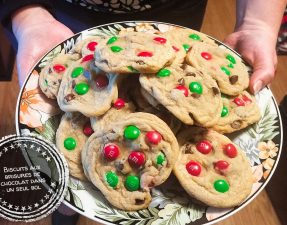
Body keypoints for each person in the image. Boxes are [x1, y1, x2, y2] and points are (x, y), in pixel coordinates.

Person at [0, 0, 286, 225]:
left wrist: (257, 23)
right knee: (67, 201)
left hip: (174, 13)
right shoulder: (91, 95)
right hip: (60, 19)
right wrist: (30, 19)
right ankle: (66, 216)